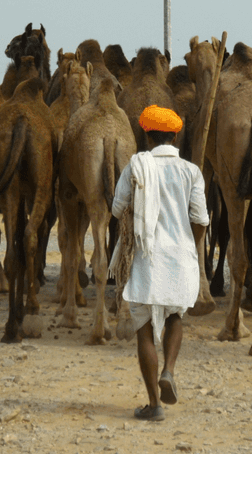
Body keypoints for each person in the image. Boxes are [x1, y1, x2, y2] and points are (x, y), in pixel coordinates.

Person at [109, 105, 209, 423]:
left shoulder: (136, 166)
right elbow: (201, 220)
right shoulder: (191, 171)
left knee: (144, 327)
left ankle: (154, 404)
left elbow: (117, 209)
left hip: (145, 255)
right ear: (175, 137)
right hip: (180, 255)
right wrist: (188, 245)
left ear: (146, 136)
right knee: (175, 314)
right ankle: (169, 370)